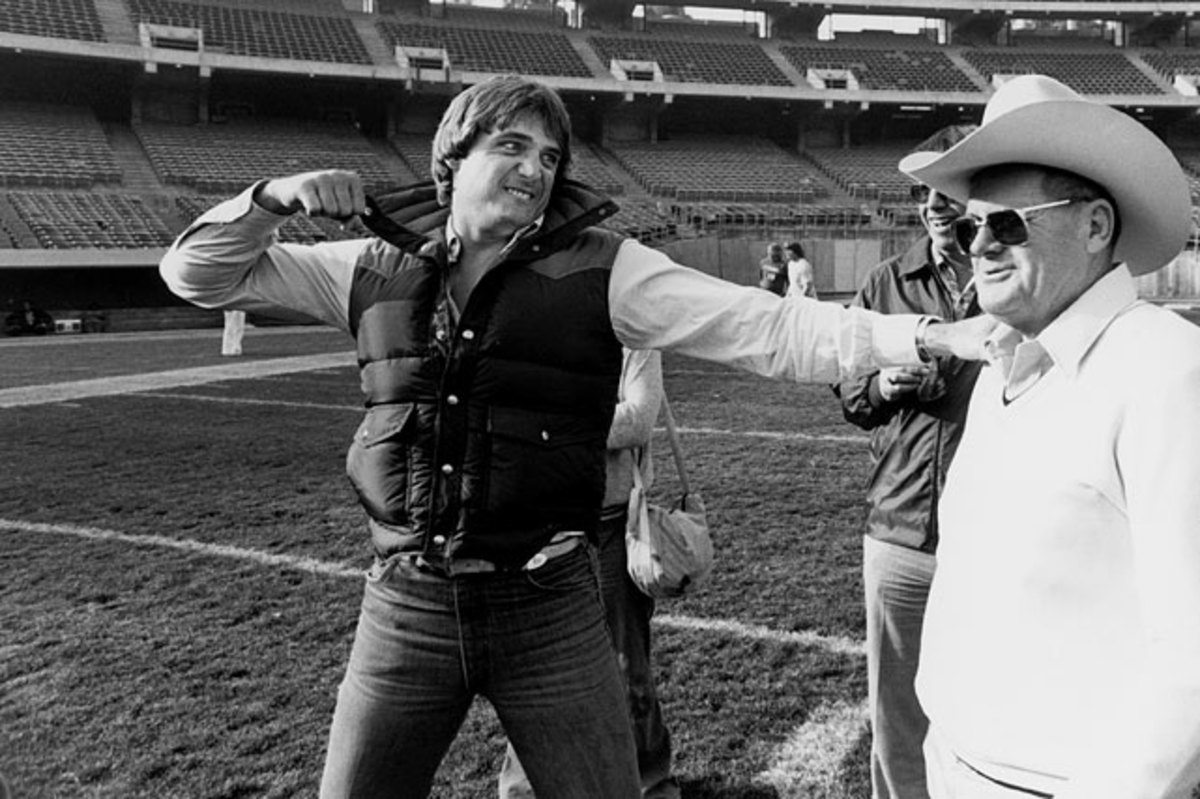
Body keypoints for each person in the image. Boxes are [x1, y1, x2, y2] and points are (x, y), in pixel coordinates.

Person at [159, 74, 989, 799]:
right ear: (452, 157)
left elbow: (765, 327)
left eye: (550, 157)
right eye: (512, 146)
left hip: (552, 604)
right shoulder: (369, 264)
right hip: (407, 601)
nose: (534, 169)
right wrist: (267, 200)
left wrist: (922, 336)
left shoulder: (605, 266)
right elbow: (196, 274)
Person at [899, 75, 1200, 798]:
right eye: (972, 225)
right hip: (954, 763)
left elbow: (1192, 659)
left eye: (1007, 223)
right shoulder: (1009, 359)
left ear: (1097, 226)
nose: (978, 244)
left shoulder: (1166, 369)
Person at [835, 124, 981, 799]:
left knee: (986, 705)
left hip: (993, 534)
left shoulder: (1018, 279)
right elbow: (851, 391)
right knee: (897, 713)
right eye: (922, 193)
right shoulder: (886, 282)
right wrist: (881, 386)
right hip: (900, 528)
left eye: (946, 192)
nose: (932, 206)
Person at [497, 348, 679, 799]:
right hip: (542, 521)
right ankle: (523, 788)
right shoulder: (538, 325)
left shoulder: (633, 337)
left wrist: (551, 425)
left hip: (613, 526)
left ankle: (651, 782)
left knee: (626, 664)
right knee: (535, 665)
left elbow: (637, 418)